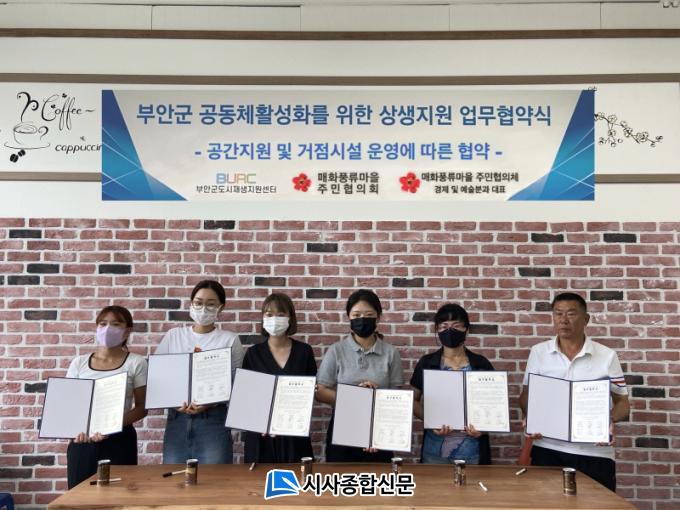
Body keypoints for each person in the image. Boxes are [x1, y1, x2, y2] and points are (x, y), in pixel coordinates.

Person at [519, 292, 630, 491]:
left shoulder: (606, 356)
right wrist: (531, 416)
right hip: (547, 448)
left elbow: (623, 403)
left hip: (594, 452)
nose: (563, 320)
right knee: (547, 504)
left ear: (586, 319)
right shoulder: (539, 352)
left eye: (571, 314)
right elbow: (526, 395)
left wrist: (609, 420)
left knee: (598, 504)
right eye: (558, 313)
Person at [155, 279, 245, 464]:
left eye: (211, 304)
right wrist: (174, 403)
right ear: (191, 304)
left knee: (215, 477)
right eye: (198, 302)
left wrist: (210, 402)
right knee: (175, 476)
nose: (203, 308)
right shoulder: (174, 336)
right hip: (177, 419)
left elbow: (237, 384)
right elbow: (158, 377)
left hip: (213, 420)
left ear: (221, 307)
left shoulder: (229, 340)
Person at [316, 289, 404, 462]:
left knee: (379, 477)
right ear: (349, 317)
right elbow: (320, 391)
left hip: (379, 427)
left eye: (369, 315)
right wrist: (356, 397)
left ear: (378, 317)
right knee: (341, 477)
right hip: (343, 426)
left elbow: (397, 397)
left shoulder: (390, 353)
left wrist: (375, 395)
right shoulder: (336, 350)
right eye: (356, 315)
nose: (362, 319)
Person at [66, 305, 147, 488]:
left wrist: (109, 426)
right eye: (102, 324)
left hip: (120, 439)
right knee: (80, 495)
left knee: (119, 495)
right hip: (83, 439)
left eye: (115, 324)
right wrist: (77, 430)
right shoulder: (79, 363)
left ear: (127, 331)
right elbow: (70, 404)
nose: (107, 329)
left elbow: (142, 407)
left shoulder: (136, 362)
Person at [410, 303, 494, 465]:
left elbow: (493, 403)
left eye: (456, 326)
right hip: (435, 452)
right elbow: (412, 400)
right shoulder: (427, 363)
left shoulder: (481, 363)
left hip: (473, 451)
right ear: (437, 330)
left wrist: (484, 428)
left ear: (466, 330)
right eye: (444, 326)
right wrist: (431, 420)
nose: (449, 330)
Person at [242, 293, 317, 463]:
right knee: (259, 479)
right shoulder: (253, 353)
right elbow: (246, 397)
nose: (274, 319)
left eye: (281, 314)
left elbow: (309, 392)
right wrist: (259, 422)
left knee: (298, 478)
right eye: (269, 314)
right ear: (263, 318)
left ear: (290, 318)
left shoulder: (304, 351)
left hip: (294, 434)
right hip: (261, 435)